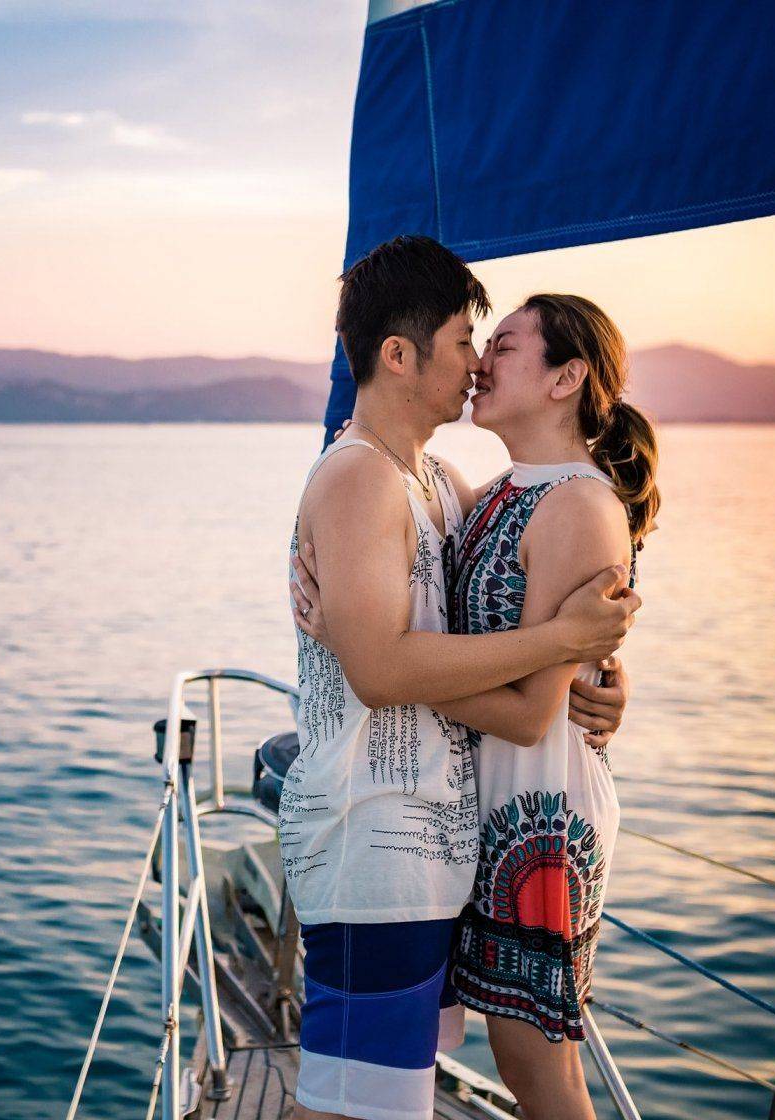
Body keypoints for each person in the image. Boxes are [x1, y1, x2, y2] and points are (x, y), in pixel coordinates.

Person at [281, 236, 640, 1120]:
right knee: (355, 1106)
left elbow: (523, 595)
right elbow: (384, 668)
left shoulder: (441, 482)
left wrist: (592, 669)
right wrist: (560, 641)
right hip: (377, 853)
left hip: (448, 853)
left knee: (407, 1095)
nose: (476, 361)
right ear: (399, 356)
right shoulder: (367, 479)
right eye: (463, 340)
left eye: (492, 344)